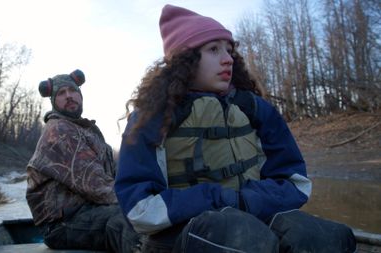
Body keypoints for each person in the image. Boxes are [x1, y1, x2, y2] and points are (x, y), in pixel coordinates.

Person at [115, 5, 356, 253]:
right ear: (184, 60)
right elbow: (139, 209)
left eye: (229, 50)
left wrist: (248, 200)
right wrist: (216, 198)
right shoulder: (153, 116)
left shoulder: (254, 108)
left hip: (252, 217)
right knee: (245, 239)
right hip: (179, 234)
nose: (228, 58)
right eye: (213, 49)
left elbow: (296, 182)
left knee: (326, 237)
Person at [26, 69, 141, 252]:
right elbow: (95, 185)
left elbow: (110, 177)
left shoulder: (84, 130)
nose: (69, 96)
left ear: (80, 95)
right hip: (62, 224)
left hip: (88, 211)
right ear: (54, 102)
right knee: (129, 220)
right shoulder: (59, 131)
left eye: (73, 91)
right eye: (62, 93)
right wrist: (139, 201)